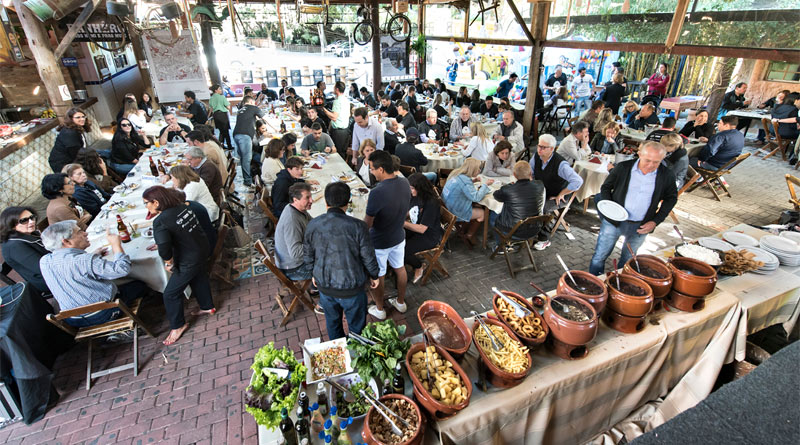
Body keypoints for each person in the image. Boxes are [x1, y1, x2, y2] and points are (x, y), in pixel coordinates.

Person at [304, 181, 379, 338]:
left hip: (325, 286)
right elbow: (368, 256)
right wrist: (374, 275)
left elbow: (308, 254)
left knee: (332, 323)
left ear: (326, 202)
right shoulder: (359, 226)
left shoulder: (313, 224)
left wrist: (313, 274)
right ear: (348, 201)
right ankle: (355, 355)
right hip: (352, 287)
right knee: (357, 328)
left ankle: (339, 355)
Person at [39, 220, 149, 327]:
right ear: (66, 242)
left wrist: (93, 256)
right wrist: (116, 244)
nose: (85, 233)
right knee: (139, 285)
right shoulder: (85, 260)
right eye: (79, 232)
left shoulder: (44, 261)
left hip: (72, 319)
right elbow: (122, 269)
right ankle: (120, 328)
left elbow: (69, 264)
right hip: (100, 314)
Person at [589, 142, 677, 275]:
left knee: (628, 259)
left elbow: (671, 198)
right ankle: (595, 283)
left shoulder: (667, 174)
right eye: (647, 160)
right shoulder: (624, 167)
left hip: (641, 226)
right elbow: (606, 187)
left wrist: (655, 221)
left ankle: (621, 285)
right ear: (640, 154)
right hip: (613, 222)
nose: (651, 165)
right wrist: (609, 208)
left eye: (656, 162)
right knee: (599, 256)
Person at [142, 186, 215, 345]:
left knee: (170, 293)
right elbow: (180, 232)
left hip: (189, 258)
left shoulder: (160, 221)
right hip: (202, 248)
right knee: (199, 276)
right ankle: (207, 306)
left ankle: (178, 326)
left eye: (146, 203)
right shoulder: (182, 206)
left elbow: (164, 248)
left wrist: (169, 262)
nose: (146, 207)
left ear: (155, 202)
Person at [364, 150, 411, 320]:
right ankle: (400, 302)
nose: (371, 171)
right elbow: (405, 210)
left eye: (372, 169)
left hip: (380, 241)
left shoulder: (377, 192)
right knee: (400, 268)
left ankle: (380, 308)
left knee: (379, 274)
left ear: (381, 169)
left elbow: (367, 224)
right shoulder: (405, 182)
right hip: (398, 236)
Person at [531, 134, 584, 251]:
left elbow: (578, 181)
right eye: (539, 146)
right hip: (543, 191)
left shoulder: (560, 164)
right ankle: (530, 230)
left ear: (552, 149)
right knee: (525, 200)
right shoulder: (536, 157)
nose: (539, 149)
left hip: (559, 196)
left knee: (543, 208)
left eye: (543, 147)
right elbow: (531, 173)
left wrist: (562, 193)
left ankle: (544, 239)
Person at [491, 160, 546, 248]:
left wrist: (510, 185)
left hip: (512, 231)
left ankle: (500, 246)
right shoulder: (540, 185)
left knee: (493, 216)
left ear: (514, 175)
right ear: (530, 173)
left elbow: (496, 196)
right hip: (535, 228)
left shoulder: (508, 189)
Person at [442, 158, 493, 247]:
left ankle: (463, 229)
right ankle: (469, 234)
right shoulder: (465, 181)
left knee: (478, 206)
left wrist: (473, 181)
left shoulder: (456, 173)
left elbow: (461, 186)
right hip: (454, 211)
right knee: (483, 213)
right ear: (472, 169)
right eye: (478, 168)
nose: (479, 170)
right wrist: (486, 185)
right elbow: (476, 197)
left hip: (446, 207)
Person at [403, 173, 443, 284]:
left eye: (412, 188)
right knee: (394, 238)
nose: (410, 191)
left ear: (420, 188)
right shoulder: (415, 196)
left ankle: (419, 265)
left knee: (401, 250)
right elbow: (411, 211)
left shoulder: (431, 203)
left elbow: (422, 229)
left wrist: (403, 223)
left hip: (429, 236)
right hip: (416, 228)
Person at [0, 207, 50, 294]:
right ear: (11, 225)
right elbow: (41, 267)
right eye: (24, 220)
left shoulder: (28, 233)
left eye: (32, 217)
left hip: (51, 268)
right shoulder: (14, 246)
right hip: (46, 280)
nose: (32, 222)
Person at [275, 182, 314, 283]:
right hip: (294, 269)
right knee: (330, 263)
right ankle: (316, 288)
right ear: (295, 200)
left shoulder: (296, 208)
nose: (312, 200)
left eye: (311, 196)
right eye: (307, 198)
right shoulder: (292, 220)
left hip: (294, 262)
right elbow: (296, 253)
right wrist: (317, 244)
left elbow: (313, 223)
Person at [232, 96, 265, 187]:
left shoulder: (241, 110)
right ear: (251, 101)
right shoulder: (253, 108)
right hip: (245, 136)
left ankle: (247, 179)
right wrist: (275, 128)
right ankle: (247, 181)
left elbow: (250, 120)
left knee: (243, 158)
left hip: (236, 135)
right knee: (247, 159)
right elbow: (264, 118)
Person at [49, 108, 91, 173]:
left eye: (83, 117)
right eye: (78, 117)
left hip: (72, 158)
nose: (82, 119)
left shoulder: (76, 128)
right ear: (71, 119)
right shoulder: (70, 133)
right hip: (62, 163)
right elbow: (75, 153)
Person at [323, 81, 351, 159]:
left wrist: (324, 110)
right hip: (345, 130)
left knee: (337, 153)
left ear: (337, 89)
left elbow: (334, 117)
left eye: (334, 87)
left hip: (338, 132)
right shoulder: (346, 100)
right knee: (342, 152)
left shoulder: (337, 101)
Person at [209, 84, 233, 151]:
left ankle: (220, 145)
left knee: (221, 131)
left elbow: (211, 109)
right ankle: (229, 146)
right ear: (216, 90)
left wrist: (208, 118)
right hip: (223, 115)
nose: (221, 90)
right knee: (226, 131)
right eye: (219, 89)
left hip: (216, 116)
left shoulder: (211, 98)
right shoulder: (222, 97)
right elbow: (228, 107)